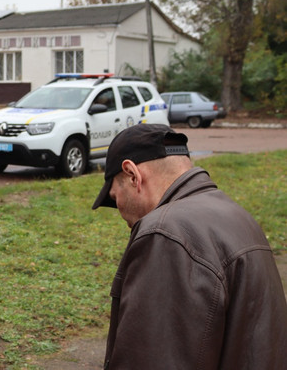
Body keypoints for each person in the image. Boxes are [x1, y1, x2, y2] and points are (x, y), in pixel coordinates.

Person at [91, 123, 287, 369]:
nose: (118, 208)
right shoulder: (237, 216)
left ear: (133, 175)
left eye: (113, 196)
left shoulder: (165, 233)